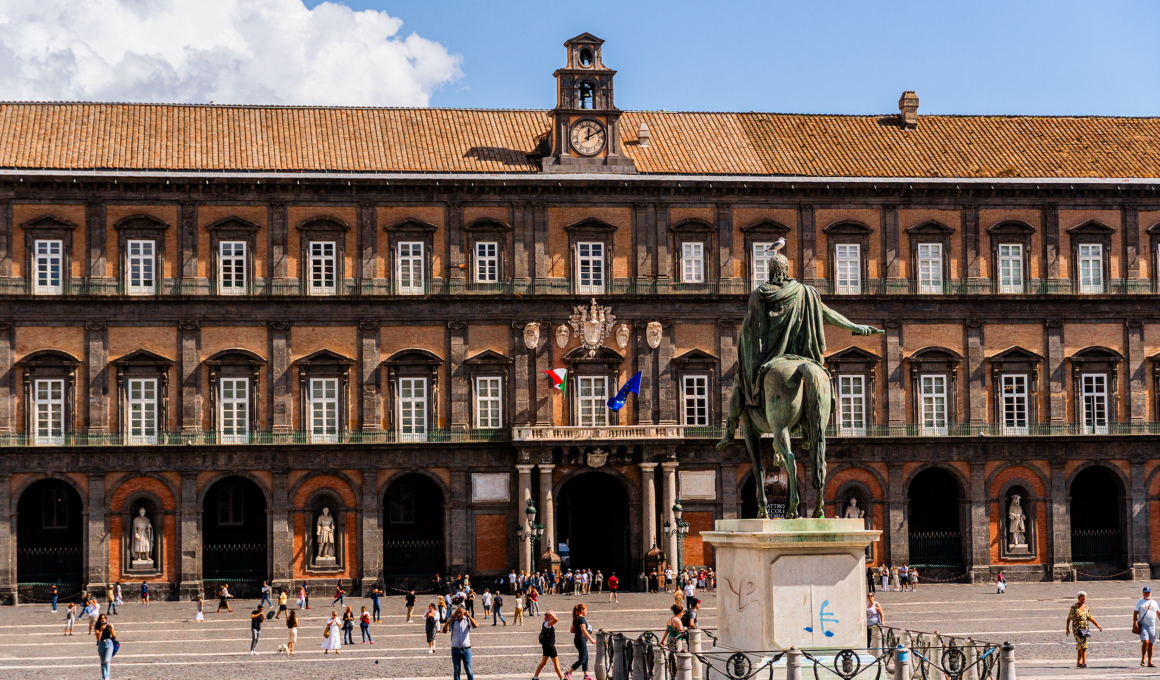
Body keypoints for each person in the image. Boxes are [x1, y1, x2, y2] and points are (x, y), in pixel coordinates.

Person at [1065, 591, 1103, 669]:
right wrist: (1067, 628)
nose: (1083, 601)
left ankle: (1078, 662)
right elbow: (1069, 618)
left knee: (1080, 644)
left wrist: (1098, 626)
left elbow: (1090, 618)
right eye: (1082, 599)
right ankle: (1084, 662)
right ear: (1078, 599)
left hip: (1084, 628)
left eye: (1084, 599)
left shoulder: (1086, 607)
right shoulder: (1074, 607)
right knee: (1083, 644)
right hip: (1077, 629)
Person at [444, 605, 478, 680]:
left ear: (464, 612)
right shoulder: (453, 621)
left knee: (469, 670)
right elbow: (444, 631)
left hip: (466, 649)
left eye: (460, 612)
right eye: (457, 613)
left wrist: (469, 616)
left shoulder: (467, 620)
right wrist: (449, 620)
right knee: (456, 670)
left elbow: (475, 625)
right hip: (455, 649)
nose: (459, 614)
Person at [568, 604, 596, 680]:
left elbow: (571, 630)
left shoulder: (575, 619)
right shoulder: (582, 619)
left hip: (577, 640)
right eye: (586, 610)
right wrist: (591, 639)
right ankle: (569, 673)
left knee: (586, 657)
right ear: (582, 610)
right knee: (582, 659)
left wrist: (578, 630)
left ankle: (586, 675)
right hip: (581, 640)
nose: (586, 611)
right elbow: (583, 630)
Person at [534, 610, 564, 680]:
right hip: (549, 645)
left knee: (544, 662)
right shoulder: (547, 624)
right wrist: (552, 614)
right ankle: (561, 678)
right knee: (556, 662)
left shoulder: (545, 623)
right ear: (550, 617)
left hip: (546, 645)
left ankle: (535, 677)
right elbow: (556, 620)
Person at [1137, 586, 1160, 667]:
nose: (1147, 594)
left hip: (1152, 626)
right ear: (1143, 593)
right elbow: (1135, 613)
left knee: (1151, 643)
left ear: (1150, 593)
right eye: (1145, 592)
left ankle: (1150, 662)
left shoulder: (1154, 602)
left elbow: (1158, 613)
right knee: (1145, 641)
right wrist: (1135, 623)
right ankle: (1143, 659)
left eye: (1148, 592)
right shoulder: (1140, 602)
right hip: (1143, 625)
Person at [94, 613, 116, 680]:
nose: (103, 619)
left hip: (109, 643)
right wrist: (101, 630)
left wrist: (112, 630)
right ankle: (104, 677)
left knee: (107, 661)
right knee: (103, 662)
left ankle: (107, 677)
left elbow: (114, 637)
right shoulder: (97, 627)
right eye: (102, 618)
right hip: (101, 644)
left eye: (104, 618)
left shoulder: (109, 626)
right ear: (99, 620)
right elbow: (98, 639)